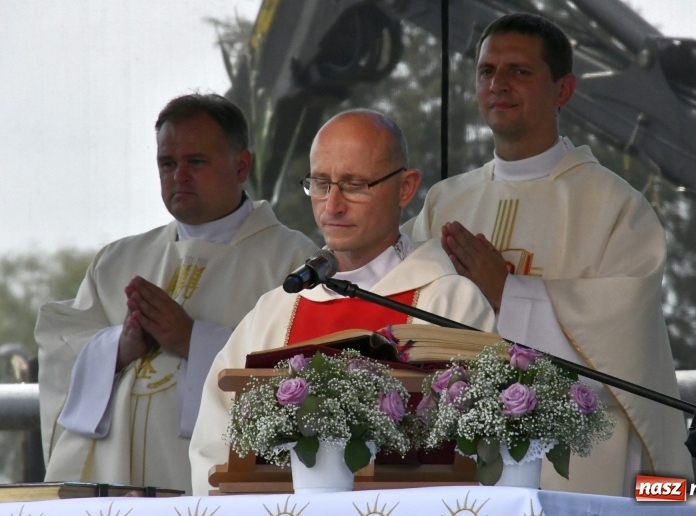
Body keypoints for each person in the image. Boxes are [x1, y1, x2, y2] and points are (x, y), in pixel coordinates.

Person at [404, 13, 693, 496]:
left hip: (574, 460)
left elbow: (625, 341)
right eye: (487, 71)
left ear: (564, 90)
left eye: (520, 71)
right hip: (454, 457)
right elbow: (404, 309)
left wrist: (510, 295)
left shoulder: (614, 205)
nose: (498, 84)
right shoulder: (444, 203)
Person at [189, 109, 497, 495]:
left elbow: (473, 445)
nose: (332, 206)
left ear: (405, 188)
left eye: (353, 185)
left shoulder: (447, 302)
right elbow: (214, 442)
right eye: (320, 183)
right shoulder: (275, 311)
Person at [35, 93, 318, 494]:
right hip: (112, 477)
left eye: (195, 162)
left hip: (216, 482)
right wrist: (118, 346)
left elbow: (305, 374)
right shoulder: (117, 260)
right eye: (167, 163)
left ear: (241, 166)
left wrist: (193, 340)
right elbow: (61, 346)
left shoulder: (291, 262)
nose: (178, 175)